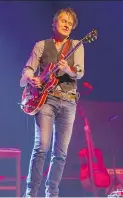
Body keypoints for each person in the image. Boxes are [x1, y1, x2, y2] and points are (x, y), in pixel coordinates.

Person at [20, 8, 84, 197]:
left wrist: (68, 69)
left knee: (60, 153)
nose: (66, 24)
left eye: (70, 23)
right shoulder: (41, 45)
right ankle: (31, 194)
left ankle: (52, 194)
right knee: (41, 147)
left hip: (69, 102)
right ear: (54, 22)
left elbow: (79, 72)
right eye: (63, 21)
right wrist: (32, 78)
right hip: (46, 100)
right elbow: (27, 70)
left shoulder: (77, 45)